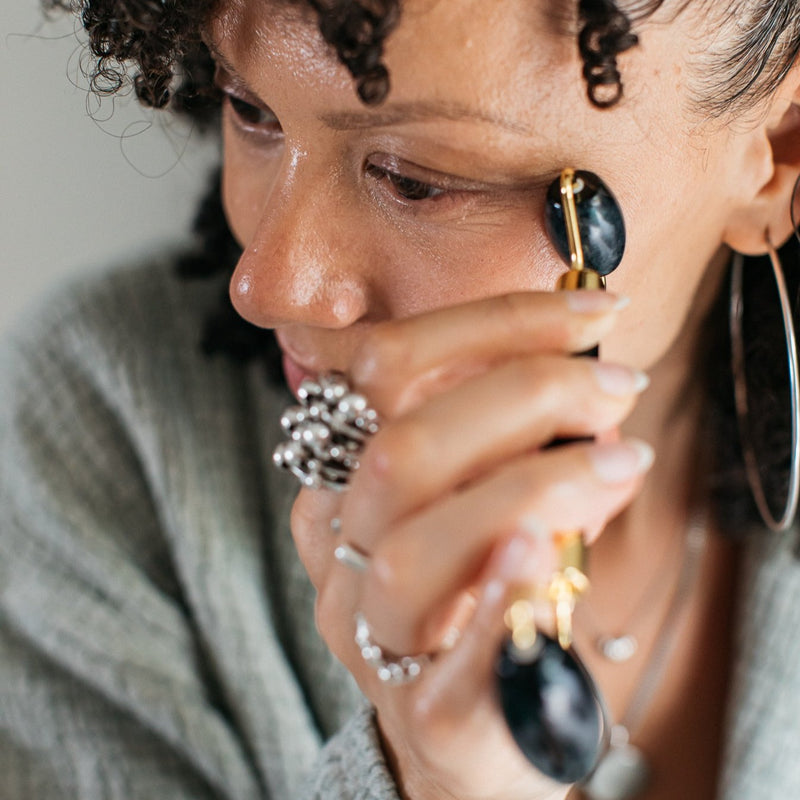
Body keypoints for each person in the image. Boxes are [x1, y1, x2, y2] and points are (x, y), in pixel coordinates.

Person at [2, 0, 800, 798]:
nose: (268, 284)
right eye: (250, 110)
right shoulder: (101, 438)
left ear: (778, 152)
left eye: (415, 182)